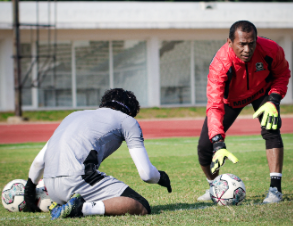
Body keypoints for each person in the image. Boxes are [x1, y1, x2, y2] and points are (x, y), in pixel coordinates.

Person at [24, 88, 172, 220]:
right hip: (78, 181)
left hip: (51, 188)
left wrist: (29, 192)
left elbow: (39, 162)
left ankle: (70, 206)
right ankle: (81, 208)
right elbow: (146, 174)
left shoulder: (73, 115)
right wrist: (161, 177)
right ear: (130, 112)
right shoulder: (127, 121)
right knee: (140, 205)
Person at [197, 20, 290, 204]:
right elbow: (214, 105)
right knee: (204, 148)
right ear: (229, 42)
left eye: (251, 43)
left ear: (256, 39)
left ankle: (275, 190)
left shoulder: (271, 49)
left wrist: (274, 99)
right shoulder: (220, 64)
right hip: (231, 100)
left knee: (271, 128)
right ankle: (215, 186)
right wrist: (218, 143)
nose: (247, 49)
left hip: (261, 92)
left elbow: (282, 74)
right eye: (242, 44)